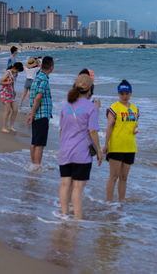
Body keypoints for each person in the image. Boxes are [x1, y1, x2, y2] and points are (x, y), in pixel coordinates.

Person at [59, 74, 102, 219]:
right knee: (77, 188)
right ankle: (77, 220)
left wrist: (61, 149)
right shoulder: (91, 107)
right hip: (81, 153)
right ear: (90, 89)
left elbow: (62, 129)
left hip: (65, 150)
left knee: (65, 184)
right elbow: (93, 131)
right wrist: (99, 151)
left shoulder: (66, 104)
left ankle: (64, 216)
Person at [103, 80, 139, 202]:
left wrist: (136, 129)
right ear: (118, 94)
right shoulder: (114, 108)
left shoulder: (134, 108)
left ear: (131, 93)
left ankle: (121, 202)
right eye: (122, 93)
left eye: (127, 93)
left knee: (124, 177)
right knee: (114, 176)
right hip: (116, 145)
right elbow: (109, 126)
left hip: (130, 146)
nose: (124, 96)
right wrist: (106, 144)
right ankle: (109, 202)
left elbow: (134, 124)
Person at [26, 56, 54, 166]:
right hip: (41, 114)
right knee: (40, 144)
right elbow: (38, 97)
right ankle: (36, 166)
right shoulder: (44, 79)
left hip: (37, 114)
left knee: (35, 141)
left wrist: (32, 113)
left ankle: (33, 164)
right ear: (51, 67)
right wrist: (32, 114)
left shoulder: (37, 77)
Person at [0, 61, 24, 133]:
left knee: (15, 110)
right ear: (14, 67)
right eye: (17, 70)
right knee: (7, 111)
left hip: (11, 93)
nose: (17, 72)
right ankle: (4, 127)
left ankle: (11, 126)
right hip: (5, 93)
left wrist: (14, 90)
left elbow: (12, 83)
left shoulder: (14, 73)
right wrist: (8, 83)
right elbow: (1, 82)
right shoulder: (7, 72)